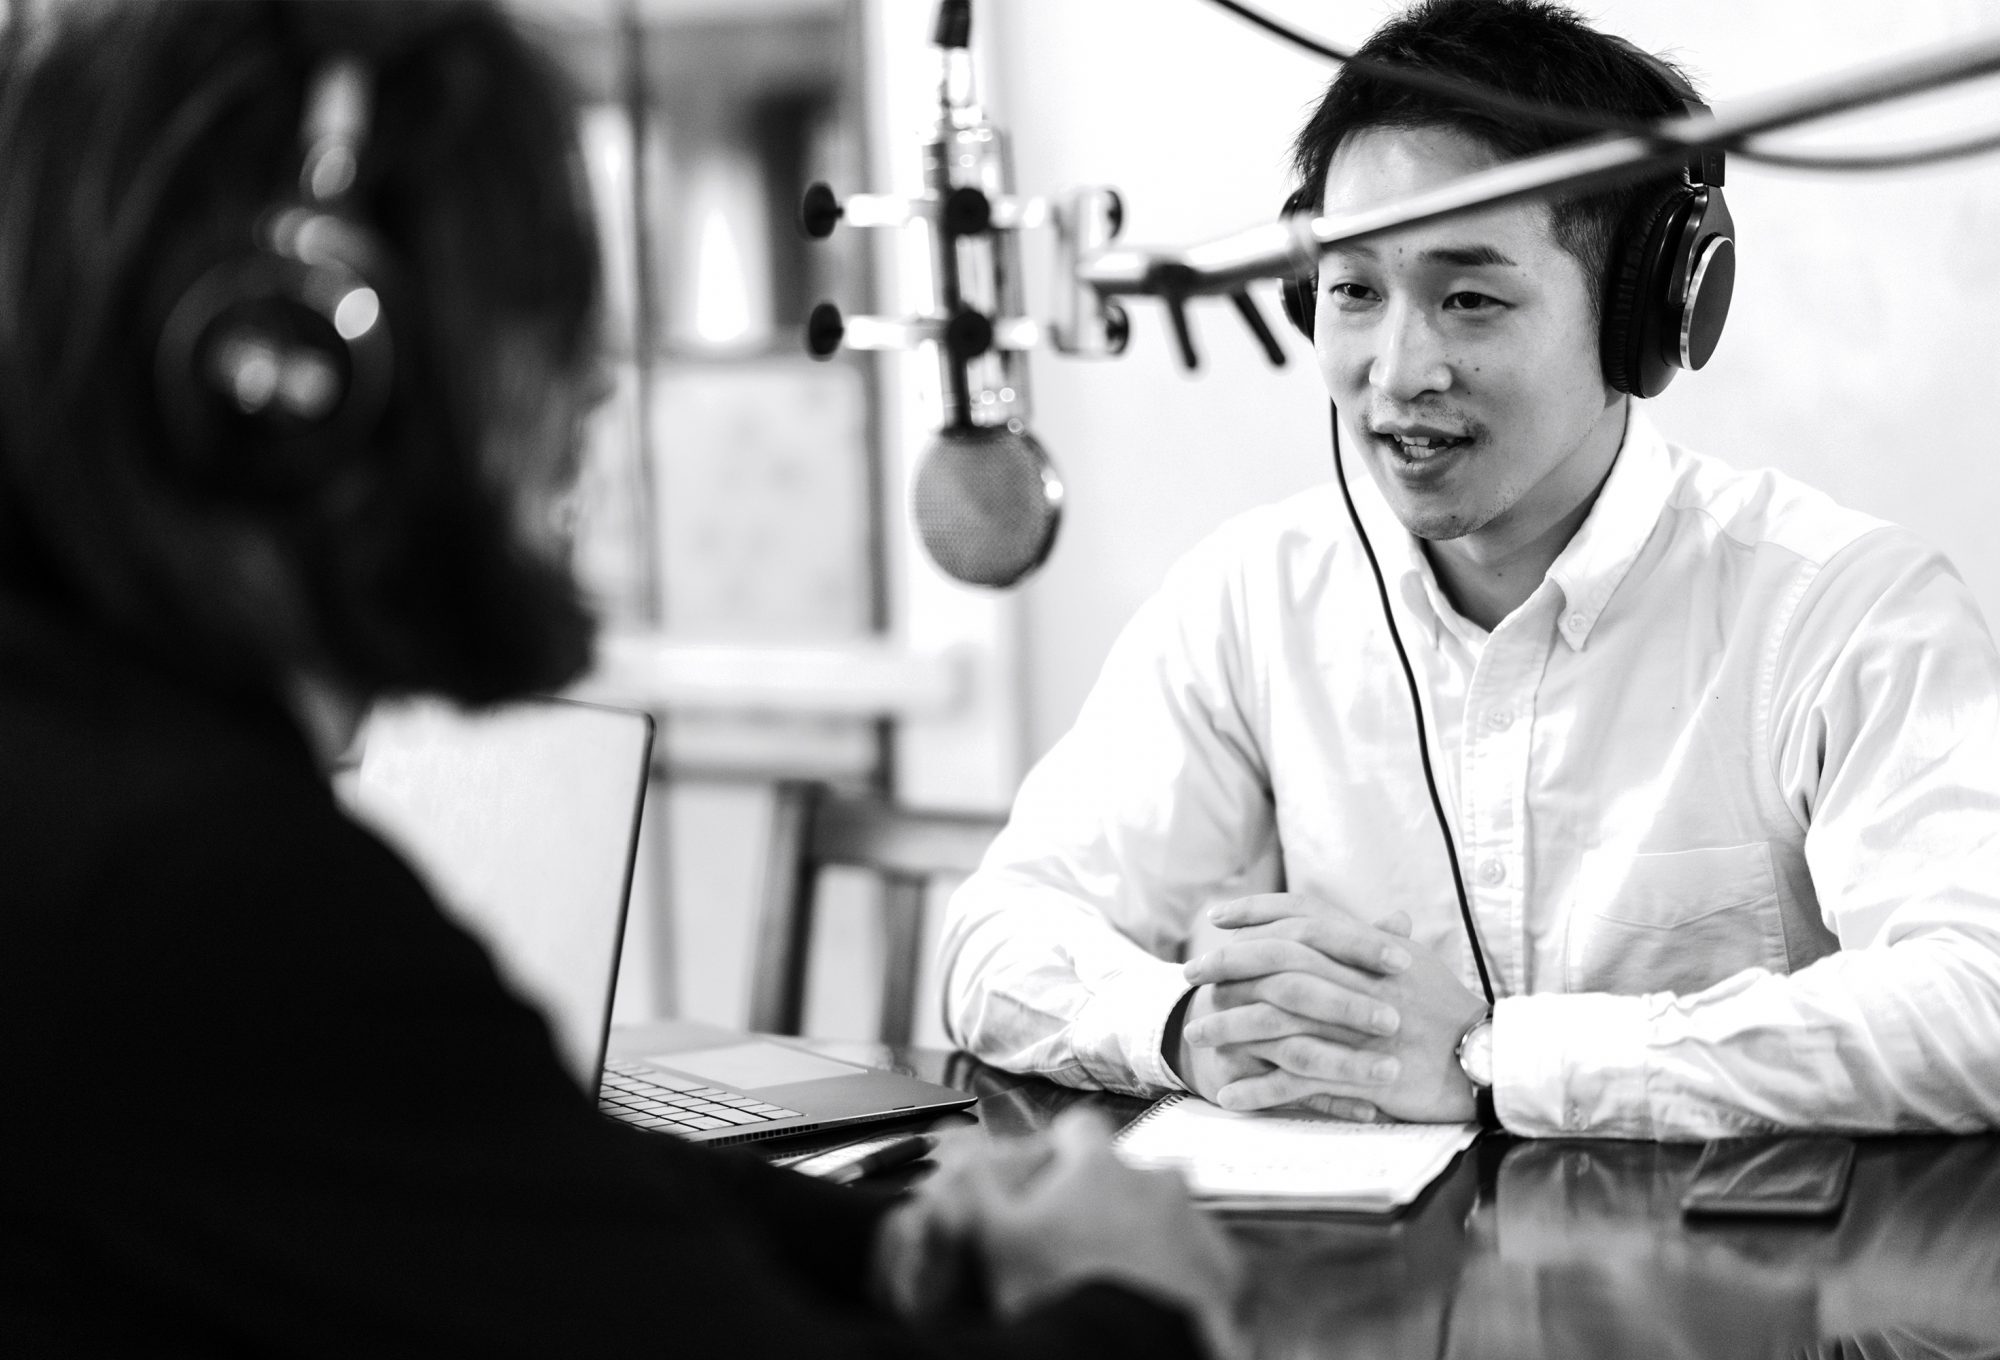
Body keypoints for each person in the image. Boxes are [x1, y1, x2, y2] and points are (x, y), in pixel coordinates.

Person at [0, 2, 1241, 1355]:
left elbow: (506, 1184)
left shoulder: (84, 771)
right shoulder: (187, 885)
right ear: (300, 375)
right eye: (537, 318)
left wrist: (887, 1243)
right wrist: (1132, 1300)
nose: (592, 390)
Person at [940, 0, 2000, 1140]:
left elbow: (1978, 1002)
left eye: (1469, 299)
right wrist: (1187, 1025)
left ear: (1646, 313)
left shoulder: (1840, 606)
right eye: (1352, 290)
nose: (1396, 371)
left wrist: (1495, 1063)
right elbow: (995, 935)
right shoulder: (1252, 594)